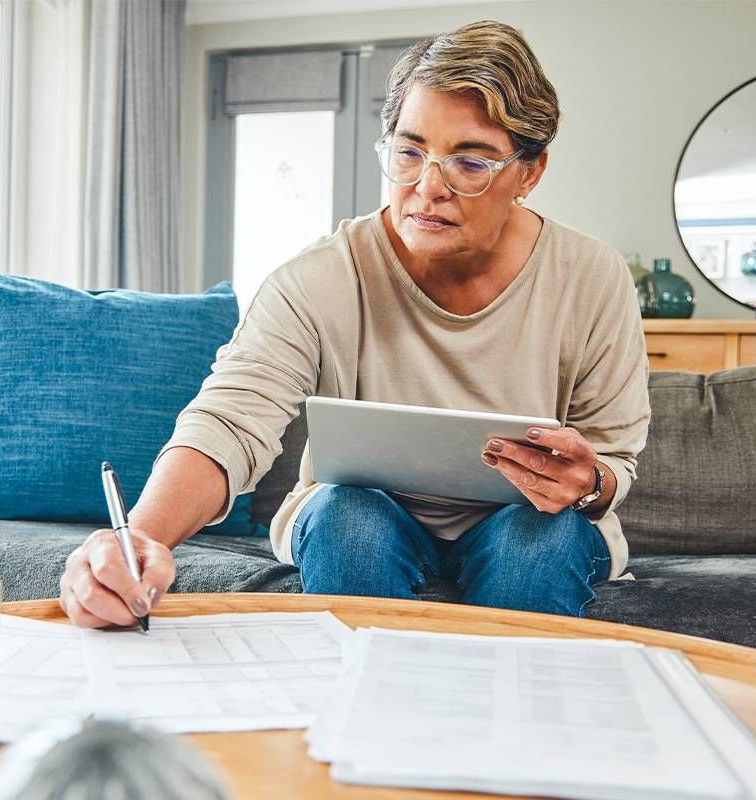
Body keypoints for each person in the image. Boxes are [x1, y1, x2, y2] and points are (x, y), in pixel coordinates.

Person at [58, 20, 650, 628]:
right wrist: (141, 541)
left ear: (529, 172)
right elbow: (230, 421)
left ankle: (512, 713)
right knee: (347, 516)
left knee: (538, 538)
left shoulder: (590, 276)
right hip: (362, 516)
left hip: (528, 521)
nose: (428, 188)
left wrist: (588, 482)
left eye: (469, 162)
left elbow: (613, 461)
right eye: (409, 153)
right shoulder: (320, 276)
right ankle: (364, 712)